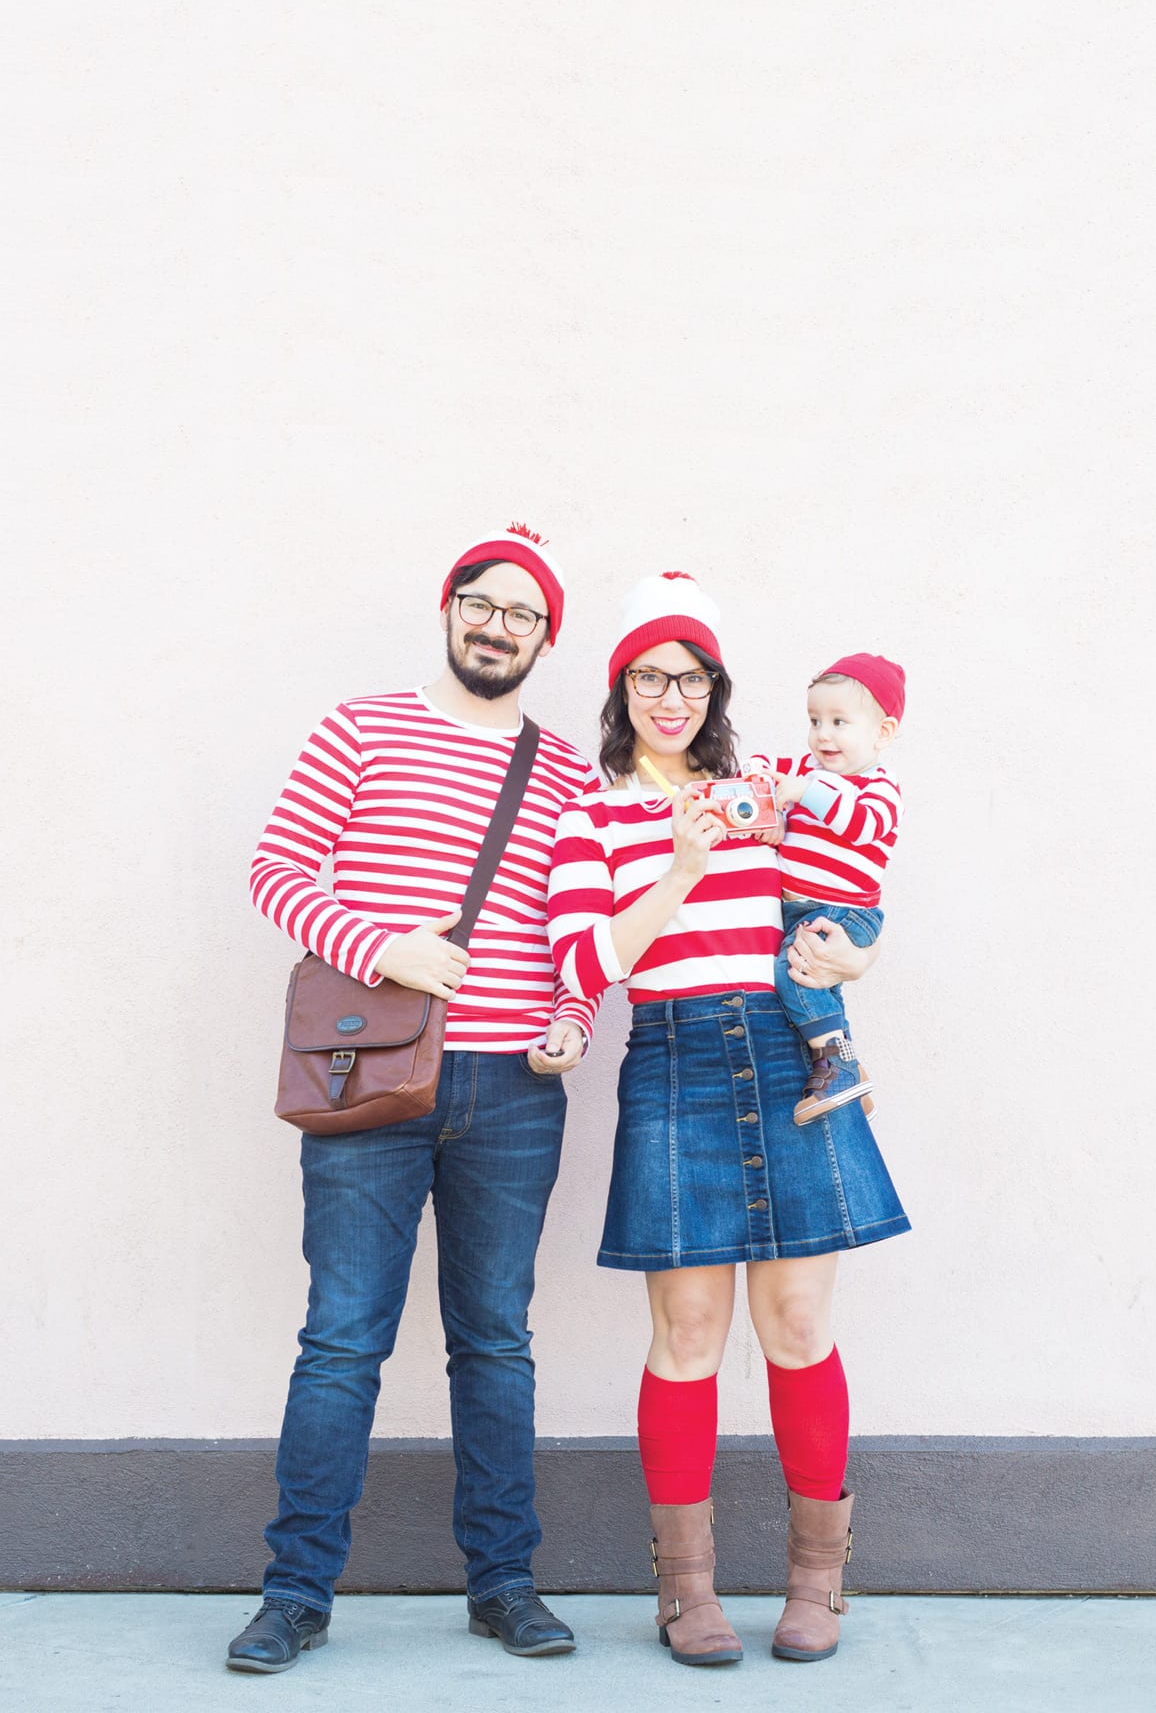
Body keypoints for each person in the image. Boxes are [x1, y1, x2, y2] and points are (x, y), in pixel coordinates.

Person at [227, 524, 598, 1674]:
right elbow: (276, 872)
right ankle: (296, 1594)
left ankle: (505, 1583)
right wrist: (384, 946)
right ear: (450, 609)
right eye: (482, 605)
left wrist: (574, 1017)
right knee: (341, 1340)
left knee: (496, 1341)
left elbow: (574, 929)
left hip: (512, 1093)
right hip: (373, 1078)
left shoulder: (570, 770)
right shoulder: (361, 727)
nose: (499, 627)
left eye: (523, 615)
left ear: (546, 638)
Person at [547, 571, 910, 1669]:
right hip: (672, 1061)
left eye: (692, 678)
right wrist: (683, 867)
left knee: (798, 1327)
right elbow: (584, 960)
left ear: (715, 689)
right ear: (623, 689)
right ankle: (687, 1592)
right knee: (689, 1336)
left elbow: (845, 882)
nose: (673, 698)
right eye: (652, 678)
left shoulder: (767, 779)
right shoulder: (590, 810)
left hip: (785, 1044)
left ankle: (818, 1583)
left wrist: (863, 952)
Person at [748, 652, 905, 1121]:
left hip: (845, 910)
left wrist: (801, 791)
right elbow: (758, 762)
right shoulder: (805, 766)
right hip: (803, 910)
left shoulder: (878, 786)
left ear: (882, 732)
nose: (823, 734)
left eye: (840, 721)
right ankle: (854, 1081)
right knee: (821, 989)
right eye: (815, 720)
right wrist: (767, 795)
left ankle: (838, 1068)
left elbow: (861, 825)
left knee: (793, 977)